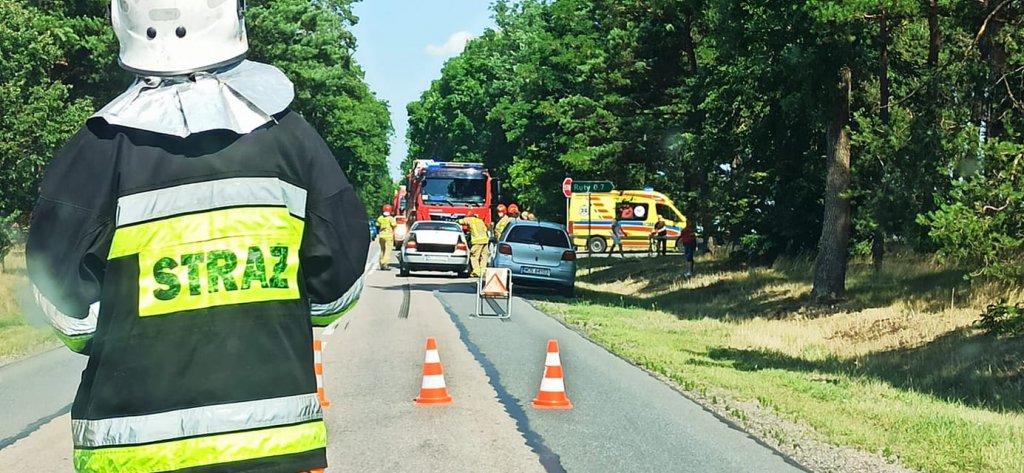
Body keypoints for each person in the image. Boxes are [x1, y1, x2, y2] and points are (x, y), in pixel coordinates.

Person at [25, 2, 368, 472]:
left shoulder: (96, 151)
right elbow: (338, 294)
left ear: (122, 20)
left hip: (130, 452)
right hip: (273, 449)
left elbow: (68, 311)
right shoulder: (292, 139)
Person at [377, 204, 398, 270]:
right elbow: (394, 225)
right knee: (387, 251)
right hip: (388, 236)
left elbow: (377, 225)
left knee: (382, 250)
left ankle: (381, 263)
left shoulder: (380, 218)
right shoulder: (391, 218)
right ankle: (384, 263)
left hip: (381, 236)